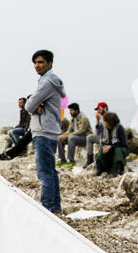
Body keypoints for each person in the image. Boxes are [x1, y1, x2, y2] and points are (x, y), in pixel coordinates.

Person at [24, 49, 65, 213]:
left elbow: (29, 105)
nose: (37, 65)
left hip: (43, 130)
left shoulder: (46, 82)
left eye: (40, 62)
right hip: (51, 129)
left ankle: (48, 208)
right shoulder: (51, 81)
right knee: (51, 171)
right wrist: (36, 105)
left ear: (50, 63)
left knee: (44, 173)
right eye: (35, 62)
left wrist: (33, 104)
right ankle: (55, 206)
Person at [95, 112, 129, 176]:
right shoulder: (104, 128)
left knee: (118, 150)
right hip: (108, 147)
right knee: (100, 151)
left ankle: (119, 170)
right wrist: (104, 147)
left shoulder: (119, 128)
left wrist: (111, 146)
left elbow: (123, 143)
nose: (103, 122)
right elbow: (100, 138)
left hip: (121, 147)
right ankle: (99, 170)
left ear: (109, 121)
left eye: (104, 121)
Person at [59, 102, 92, 167]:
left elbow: (81, 131)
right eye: (70, 110)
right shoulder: (72, 119)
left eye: (71, 110)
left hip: (85, 138)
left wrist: (68, 136)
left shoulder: (84, 118)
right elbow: (69, 130)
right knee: (59, 138)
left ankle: (71, 161)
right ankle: (62, 160)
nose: (70, 112)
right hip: (76, 138)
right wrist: (64, 135)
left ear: (76, 111)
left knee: (71, 138)